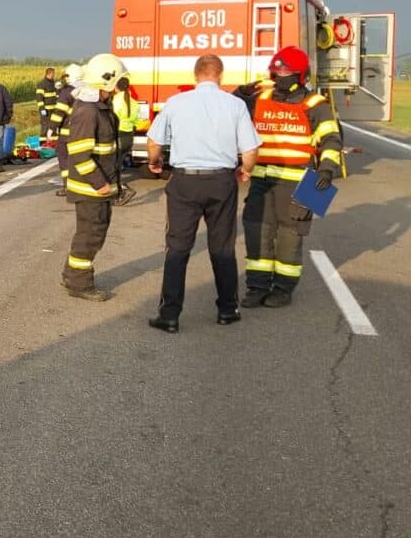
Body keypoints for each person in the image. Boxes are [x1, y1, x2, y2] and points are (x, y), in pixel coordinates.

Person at [144, 54, 262, 332]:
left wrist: (154, 161)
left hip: (185, 183)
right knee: (222, 247)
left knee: (178, 248)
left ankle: (170, 314)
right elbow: (250, 149)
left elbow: (154, 141)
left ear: (195, 74)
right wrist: (246, 170)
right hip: (221, 182)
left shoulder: (176, 103)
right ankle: (227, 309)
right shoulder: (235, 105)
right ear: (219, 75)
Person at [237, 46, 343, 308]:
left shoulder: (315, 105)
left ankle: (283, 289)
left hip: (299, 181)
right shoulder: (260, 98)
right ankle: (257, 287)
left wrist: (327, 170)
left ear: (301, 75)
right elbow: (229, 110)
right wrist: (241, 92)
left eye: (286, 71)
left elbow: (331, 139)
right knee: (257, 232)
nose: (280, 75)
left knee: (290, 236)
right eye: (277, 71)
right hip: (261, 180)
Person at [61, 54, 127, 301]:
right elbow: (79, 154)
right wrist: (100, 184)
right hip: (90, 188)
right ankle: (80, 284)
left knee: (92, 233)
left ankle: (71, 273)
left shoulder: (98, 108)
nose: (120, 88)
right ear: (106, 82)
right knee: (90, 236)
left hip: (96, 186)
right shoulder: (89, 112)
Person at [49, 63, 81, 195]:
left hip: (68, 132)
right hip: (85, 131)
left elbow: (59, 113)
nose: (65, 78)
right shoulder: (90, 89)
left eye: (67, 76)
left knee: (63, 156)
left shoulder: (67, 92)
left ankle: (68, 186)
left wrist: (51, 128)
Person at [113, 76, 142, 168]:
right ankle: (118, 181)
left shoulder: (115, 101)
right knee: (119, 162)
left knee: (112, 164)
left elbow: (112, 118)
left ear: (115, 86)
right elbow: (137, 121)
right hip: (129, 136)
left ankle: (114, 181)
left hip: (117, 134)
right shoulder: (134, 103)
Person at [36, 67, 60, 137]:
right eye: (53, 74)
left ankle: (53, 144)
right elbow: (39, 97)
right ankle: (43, 144)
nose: (54, 75)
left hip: (54, 109)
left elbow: (56, 95)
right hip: (46, 110)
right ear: (49, 74)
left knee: (54, 127)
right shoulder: (42, 84)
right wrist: (42, 108)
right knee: (45, 128)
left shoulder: (54, 83)